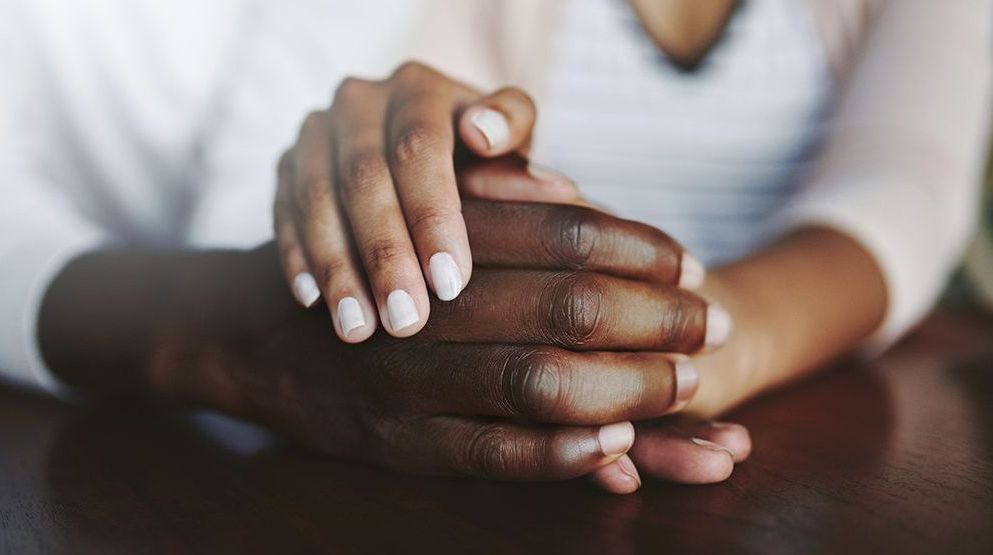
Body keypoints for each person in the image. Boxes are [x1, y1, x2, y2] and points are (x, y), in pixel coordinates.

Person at [1, 0, 990, 495]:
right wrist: (424, 169)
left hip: (718, 420)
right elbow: (425, 127)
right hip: (518, 425)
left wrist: (695, 350)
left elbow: (903, 183)